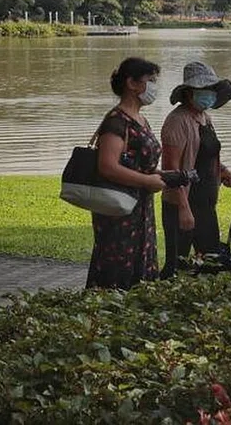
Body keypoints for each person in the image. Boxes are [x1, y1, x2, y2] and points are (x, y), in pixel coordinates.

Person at [87, 57, 166, 290]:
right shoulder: (116, 122)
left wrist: (161, 177)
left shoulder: (141, 120)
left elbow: (139, 165)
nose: (153, 87)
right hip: (118, 211)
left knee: (143, 264)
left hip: (141, 209)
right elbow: (107, 167)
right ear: (131, 84)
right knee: (118, 267)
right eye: (150, 80)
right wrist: (147, 180)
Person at [160, 62, 231, 278]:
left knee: (211, 262)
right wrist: (184, 209)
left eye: (212, 89)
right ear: (189, 93)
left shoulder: (205, 118)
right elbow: (170, 171)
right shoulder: (176, 121)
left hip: (205, 203)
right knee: (178, 265)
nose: (210, 94)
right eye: (205, 90)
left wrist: (223, 171)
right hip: (182, 203)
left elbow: (207, 154)